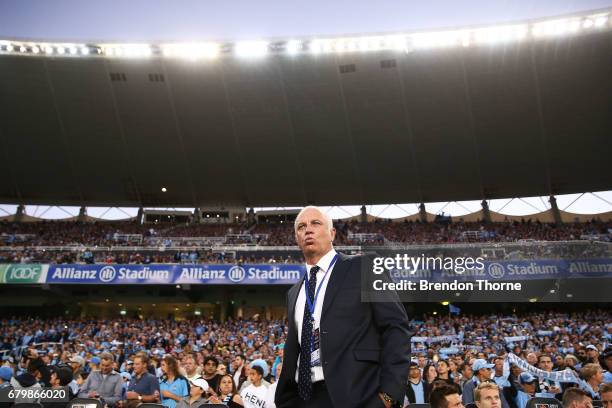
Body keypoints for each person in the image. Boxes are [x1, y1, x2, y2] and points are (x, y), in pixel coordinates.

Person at [275, 206, 411, 408]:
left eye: (316, 223)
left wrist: (389, 395)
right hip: (305, 398)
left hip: (358, 395)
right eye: (301, 227)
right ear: (297, 238)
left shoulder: (364, 266)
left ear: (332, 233)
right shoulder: (294, 292)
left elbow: (396, 327)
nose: (308, 230)